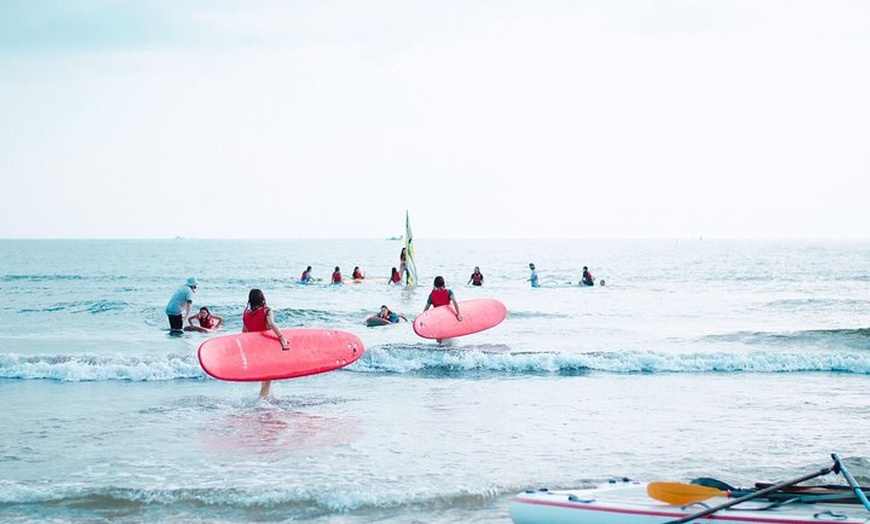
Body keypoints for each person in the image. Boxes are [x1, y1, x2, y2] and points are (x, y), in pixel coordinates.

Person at [242, 288, 289, 399]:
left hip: (253, 347)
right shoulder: (266, 311)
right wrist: (282, 338)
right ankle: (262, 403)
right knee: (267, 376)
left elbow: (244, 331)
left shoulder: (246, 313)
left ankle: (265, 398)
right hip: (265, 347)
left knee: (265, 376)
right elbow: (272, 324)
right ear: (262, 298)